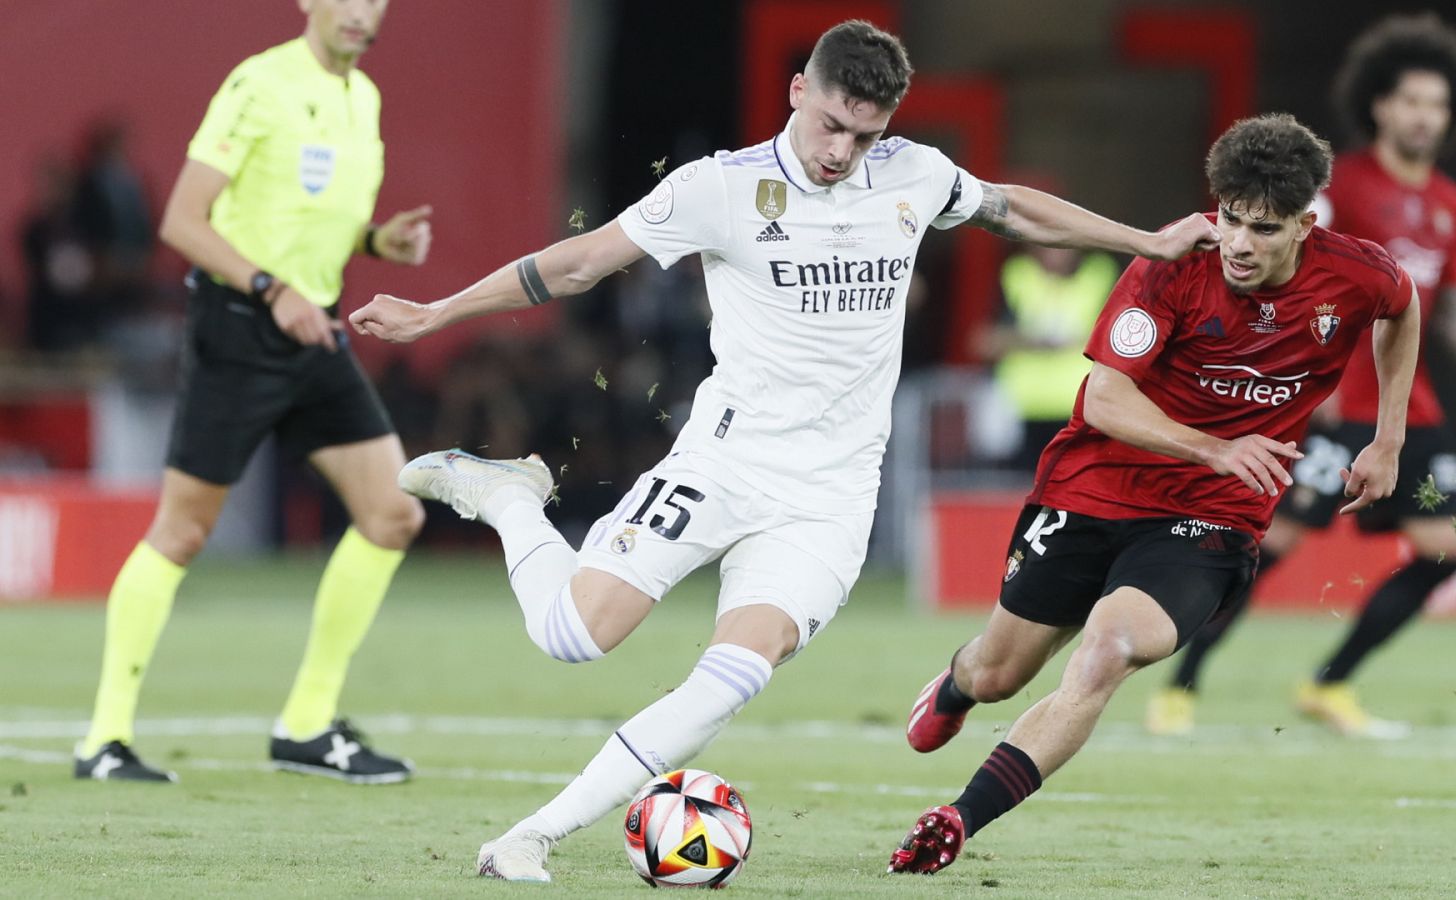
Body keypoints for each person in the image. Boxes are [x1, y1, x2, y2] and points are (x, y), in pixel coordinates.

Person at [348, 19, 1218, 883]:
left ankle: (529, 837)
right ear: (800, 90)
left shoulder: (913, 172)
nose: (844, 150)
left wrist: (1145, 242)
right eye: (833, 124)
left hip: (830, 500)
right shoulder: (718, 189)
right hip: (722, 463)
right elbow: (579, 264)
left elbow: (1008, 205)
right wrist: (436, 311)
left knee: (730, 677)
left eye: (865, 133)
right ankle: (509, 500)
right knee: (575, 636)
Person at [889, 112, 1421, 875]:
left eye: (1263, 229)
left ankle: (957, 817)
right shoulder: (1173, 264)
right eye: (1230, 218)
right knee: (1001, 673)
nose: (1238, 242)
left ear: (1306, 224)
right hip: (1093, 486)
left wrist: (1389, 437)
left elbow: (1402, 309)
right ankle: (960, 681)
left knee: (1105, 652)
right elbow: (1104, 399)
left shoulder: (1355, 272)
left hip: (1211, 517)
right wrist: (1218, 446)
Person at [1147, 13, 1456, 740]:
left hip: (1405, 415)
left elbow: (1455, 314)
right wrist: (1292, 378)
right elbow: (1272, 271)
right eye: (1413, 100)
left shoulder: (1452, 206)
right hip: (1329, 407)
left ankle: (1328, 685)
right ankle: (1181, 684)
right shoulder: (1343, 187)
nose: (1426, 116)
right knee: (1271, 546)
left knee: (1443, 549)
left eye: (1438, 104)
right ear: (1381, 104)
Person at [75, 0, 433, 785]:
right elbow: (182, 220)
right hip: (241, 328)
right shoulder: (259, 84)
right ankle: (104, 739)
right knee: (183, 532)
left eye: (375, 0)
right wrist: (270, 288)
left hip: (316, 330)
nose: (360, 13)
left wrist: (378, 242)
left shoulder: (361, 98)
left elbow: (317, 222)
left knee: (393, 512)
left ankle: (306, 724)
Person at [972, 242, 1120, 467]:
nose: (1056, 254)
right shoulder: (1017, 276)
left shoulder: (1100, 275)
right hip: (1023, 408)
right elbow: (984, 340)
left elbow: (1121, 339)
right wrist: (1034, 341)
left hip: (1081, 408)